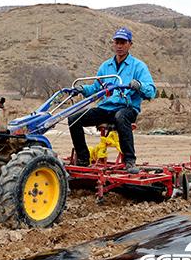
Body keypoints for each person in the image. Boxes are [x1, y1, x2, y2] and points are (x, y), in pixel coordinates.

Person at [67, 27, 156, 173]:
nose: (119, 46)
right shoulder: (105, 66)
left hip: (127, 108)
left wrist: (139, 85)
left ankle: (129, 161)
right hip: (106, 108)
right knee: (74, 118)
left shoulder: (138, 66)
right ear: (113, 44)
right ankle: (83, 159)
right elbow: (96, 88)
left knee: (120, 117)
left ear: (130, 44)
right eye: (117, 42)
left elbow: (151, 91)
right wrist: (82, 89)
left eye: (123, 42)